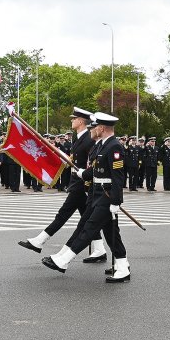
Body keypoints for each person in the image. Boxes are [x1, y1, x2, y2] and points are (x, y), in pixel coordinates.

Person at [42, 112, 131, 283]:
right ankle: (122, 265)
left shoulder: (114, 146)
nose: (92, 130)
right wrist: (83, 173)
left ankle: (64, 260)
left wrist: (115, 201)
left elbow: (118, 177)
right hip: (96, 194)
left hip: (106, 195)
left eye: (94, 127)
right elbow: (96, 170)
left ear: (102, 128)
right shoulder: (101, 145)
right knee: (110, 232)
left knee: (89, 228)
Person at [19, 108, 99, 256]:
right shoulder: (79, 137)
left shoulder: (88, 139)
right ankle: (100, 250)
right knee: (86, 218)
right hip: (77, 182)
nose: (71, 120)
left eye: (74, 118)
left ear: (81, 121)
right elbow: (75, 158)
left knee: (63, 213)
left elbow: (93, 161)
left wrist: (85, 176)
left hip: (82, 184)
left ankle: (40, 240)